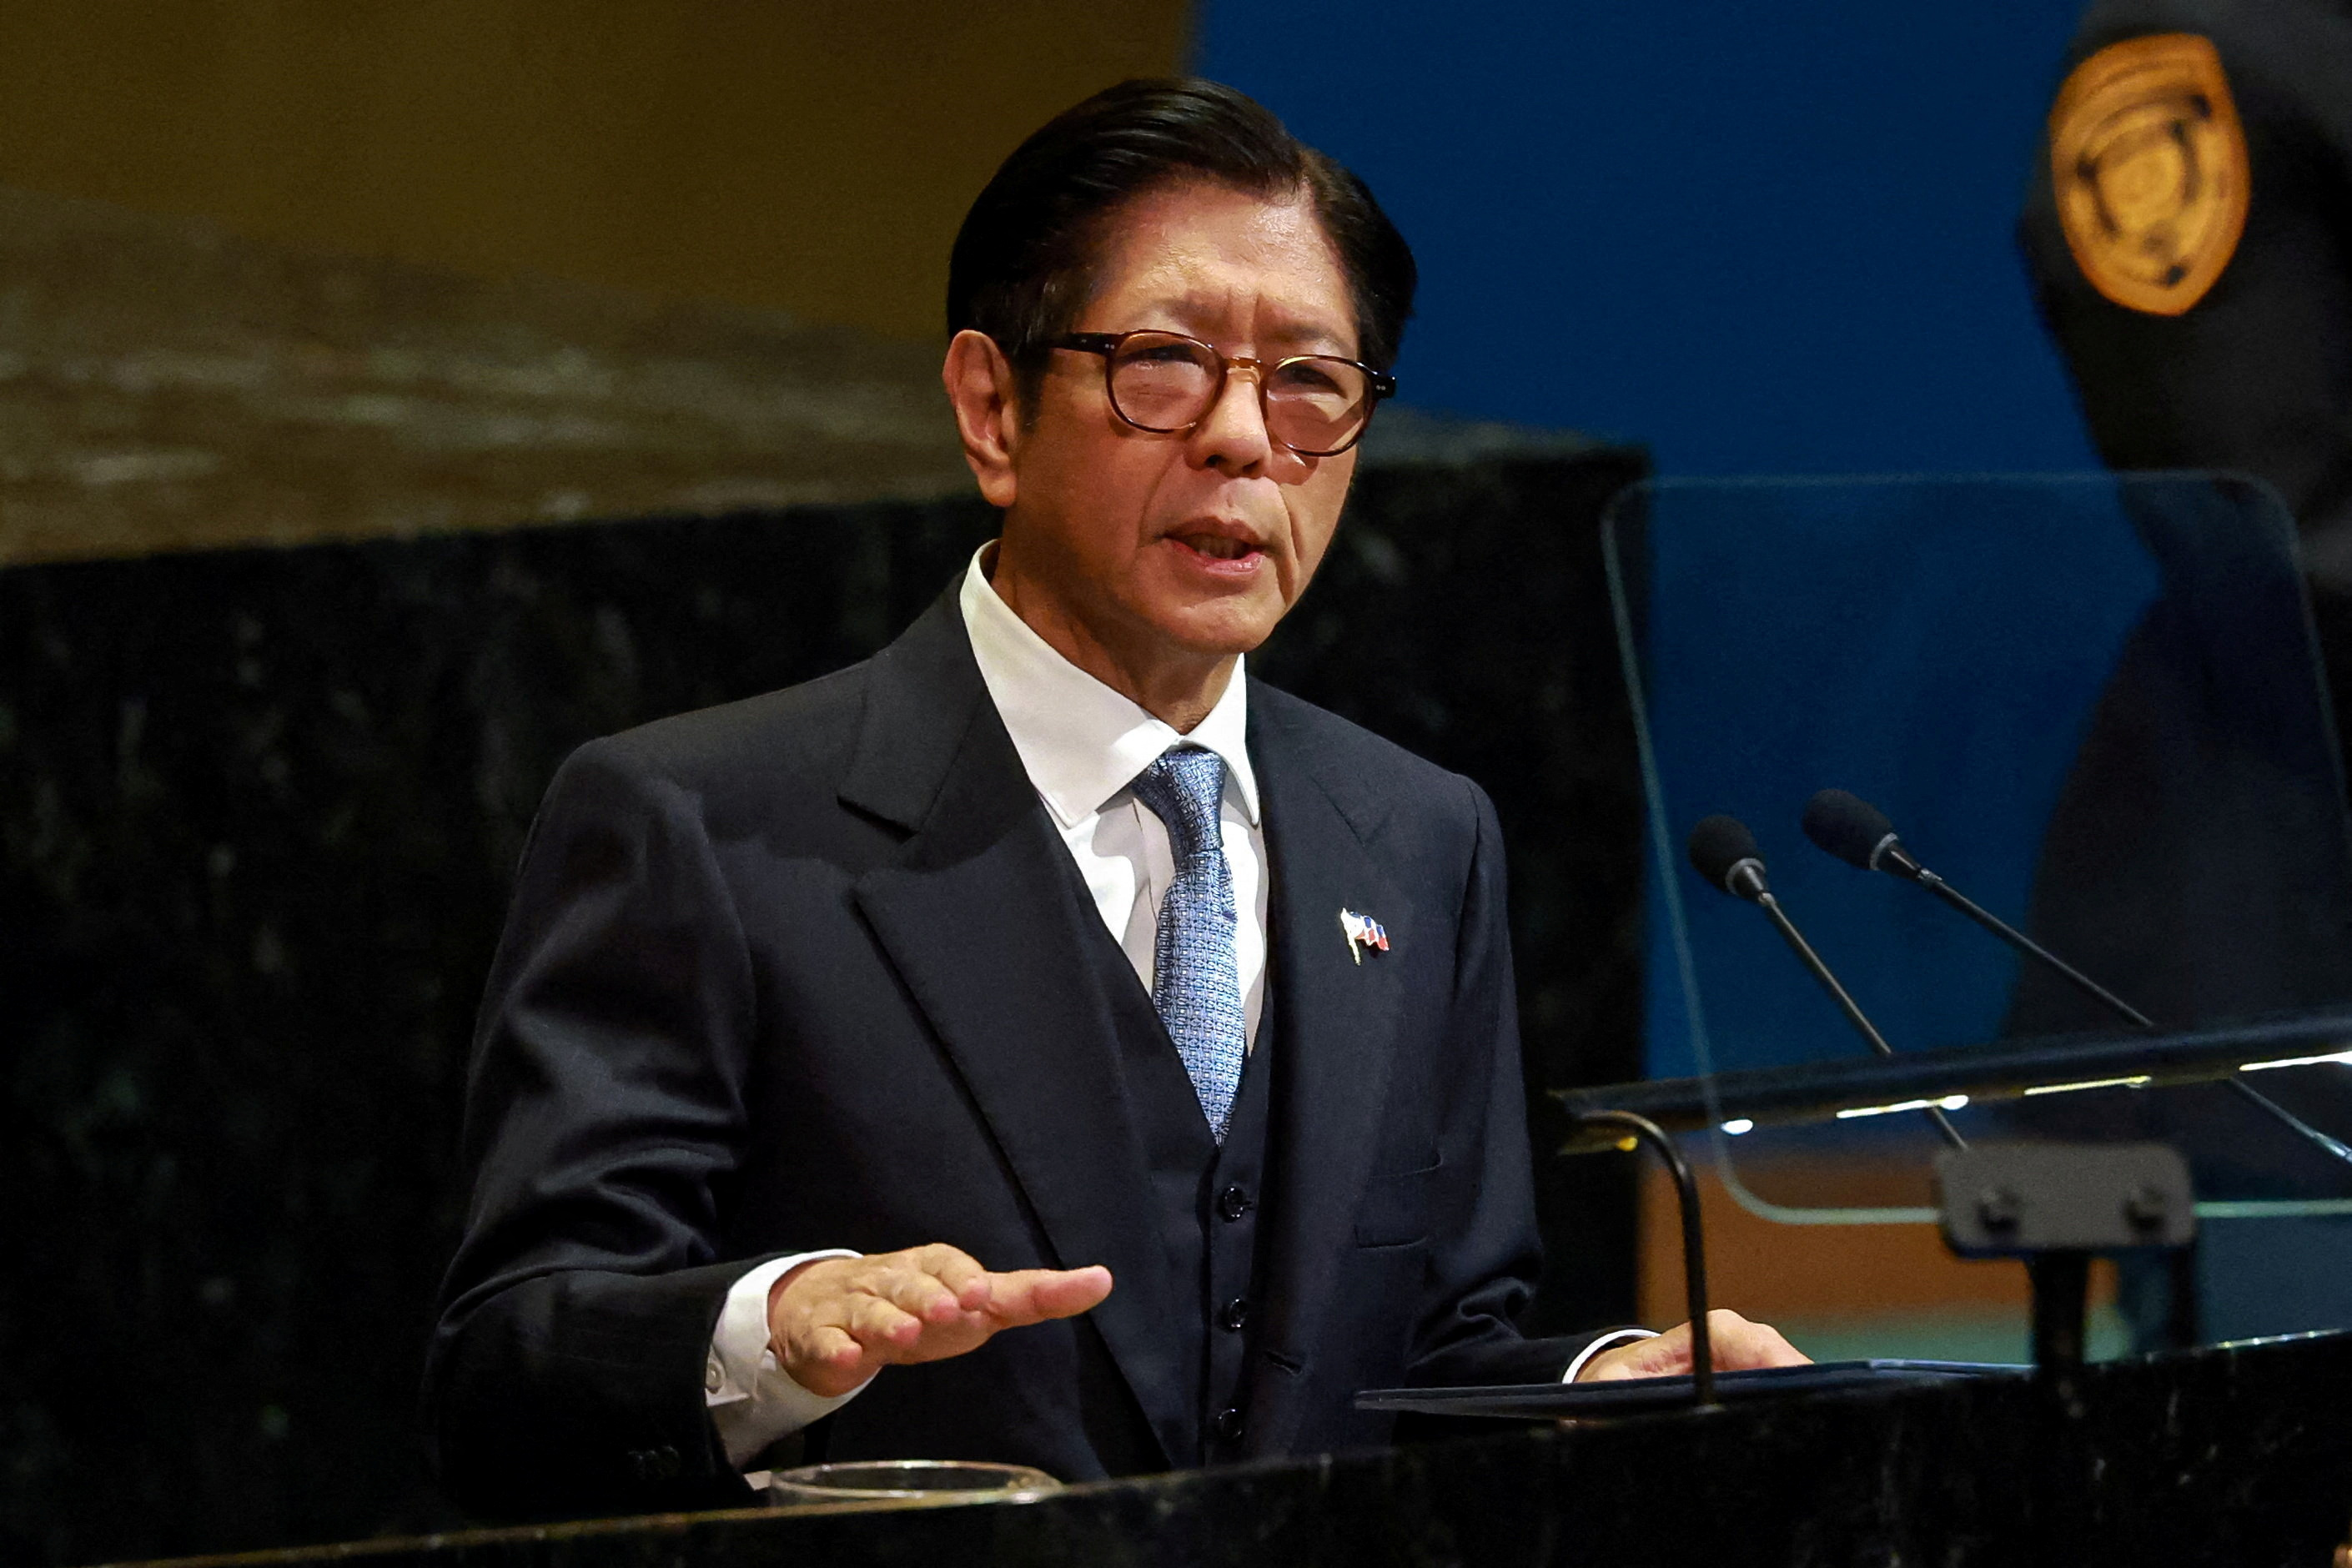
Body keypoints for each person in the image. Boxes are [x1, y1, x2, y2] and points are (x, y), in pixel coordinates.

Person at [424, 78, 1804, 1520]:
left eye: (1310, 382)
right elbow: (505, 1372)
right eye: (1165, 363)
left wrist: (1602, 1382)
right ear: (992, 410)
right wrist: (772, 1328)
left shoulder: (1417, 835)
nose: (1242, 437)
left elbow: (1433, 1348)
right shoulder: (700, 825)